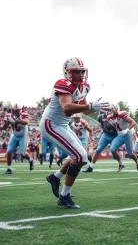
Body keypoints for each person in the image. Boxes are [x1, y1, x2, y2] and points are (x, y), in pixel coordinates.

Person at [39, 57, 109, 209]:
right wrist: (90, 105)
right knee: (80, 156)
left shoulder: (85, 86)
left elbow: (84, 109)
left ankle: (55, 177)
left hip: (63, 124)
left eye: (82, 71)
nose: (80, 75)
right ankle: (64, 196)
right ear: (67, 73)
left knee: (80, 156)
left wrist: (96, 108)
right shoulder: (63, 84)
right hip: (51, 124)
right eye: (76, 72)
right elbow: (67, 108)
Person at [107, 103, 138, 171]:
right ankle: (121, 164)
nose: (110, 112)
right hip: (120, 135)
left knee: (130, 153)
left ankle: (137, 163)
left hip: (127, 135)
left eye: (111, 110)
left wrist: (127, 129)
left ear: (115, 109)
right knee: (112, 149)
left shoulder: (122, 115)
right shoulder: (109, 117)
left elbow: (133, 122)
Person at [2, 104, 34, 174]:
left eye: (17, 110)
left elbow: (26, 122)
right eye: (15, 110)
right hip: (15, 135)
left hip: (23, 135)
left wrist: (15, 121)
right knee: (9, 150)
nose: (16, 112)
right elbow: (5, 127)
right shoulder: (9, 115)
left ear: (20, 110)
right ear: (13, 109)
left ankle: (31, 160)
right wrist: (4, 124)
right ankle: (9, 169)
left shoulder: (24, 115)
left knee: (22, 153)